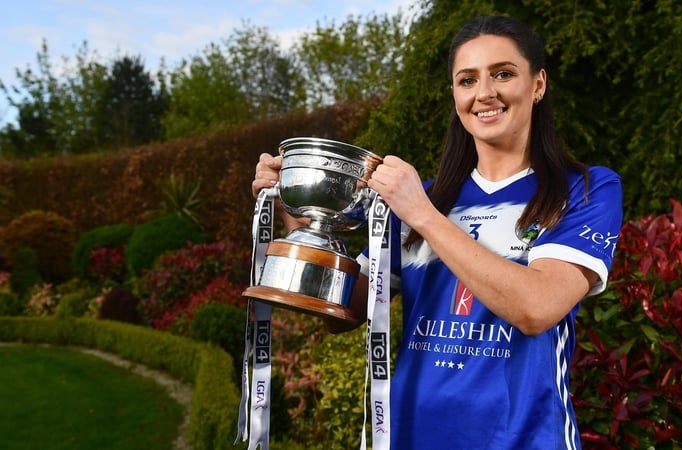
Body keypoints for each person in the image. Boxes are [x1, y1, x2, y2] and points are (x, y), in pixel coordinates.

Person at [252, 15, 622, 450]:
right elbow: (344, 313)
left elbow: (536, 308)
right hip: (412, 434)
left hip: (522, 438)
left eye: (503, 73)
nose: (485, 93)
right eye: (467, 80)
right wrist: (298, 211)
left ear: (537, 84)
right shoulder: (424, 198)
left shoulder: (586, 188)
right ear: (454, 94)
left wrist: (422, 215)